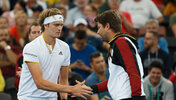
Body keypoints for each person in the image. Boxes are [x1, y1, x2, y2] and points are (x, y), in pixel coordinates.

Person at [17, 8, 92, 100]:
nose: (60, 28)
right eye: (56, 25)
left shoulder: (64, 47)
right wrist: (72, 89)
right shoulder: (31, 47)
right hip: (28, 97)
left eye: (61, 25)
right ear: (46, 25)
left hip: (51, 97)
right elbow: (40, 83)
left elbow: (63, 78)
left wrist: (64, 98)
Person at [87, 10, 145, 100]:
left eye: (99, 27)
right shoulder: (117, 43)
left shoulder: (121, 42)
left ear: (107, 26)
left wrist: (136, 97)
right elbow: (114, 81)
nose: (98, 32)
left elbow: (133, 71)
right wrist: (89, 89)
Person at [14, 22, 41, 89]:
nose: (37, 35)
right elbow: (16, 84)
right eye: (34, 33)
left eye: (39, 32)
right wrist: (23, 78)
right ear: (29, 36)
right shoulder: (22, 57)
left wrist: (27, 75)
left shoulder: (51, 53)